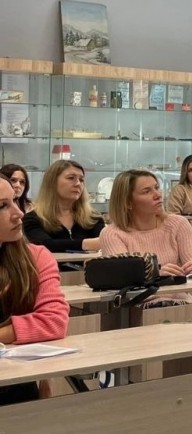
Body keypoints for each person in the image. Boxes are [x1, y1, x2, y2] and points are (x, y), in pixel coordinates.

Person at [0, 174, 70, 406]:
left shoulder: (36, 258)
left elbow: (54, 321)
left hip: (17, 389)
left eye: (15, 201)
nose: (18, 213)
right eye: (2, 206)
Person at [100, 170, 192, 307]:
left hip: (180, 304)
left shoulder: (178, 224)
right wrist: (155, 274)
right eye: (146, 191)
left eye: (157, 188)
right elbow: (122, 276)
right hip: (137, 309)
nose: (158, 195)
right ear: (128, 203)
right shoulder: (112, 234)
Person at [22, 160, 104, 253]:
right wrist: (88, 244)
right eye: (71, 178)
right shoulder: (32, 219)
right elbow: (45, 245)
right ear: (52, 182)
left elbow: (103, 244)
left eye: (81, 180)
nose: (78, 184)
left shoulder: (93, 218)